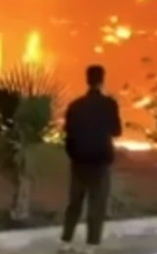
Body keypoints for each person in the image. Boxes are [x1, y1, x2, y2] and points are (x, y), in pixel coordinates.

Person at [59, 65, 122, 254]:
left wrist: (74, 154)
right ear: (102, 80)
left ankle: (65, 243)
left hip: (79, 162)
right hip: (100, 163)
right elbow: (117, 131)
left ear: (87, 80)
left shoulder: (75, 105)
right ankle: (91, 247)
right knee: (97, 204)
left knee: (74, 204)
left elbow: (68, 135)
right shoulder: (109, 104)